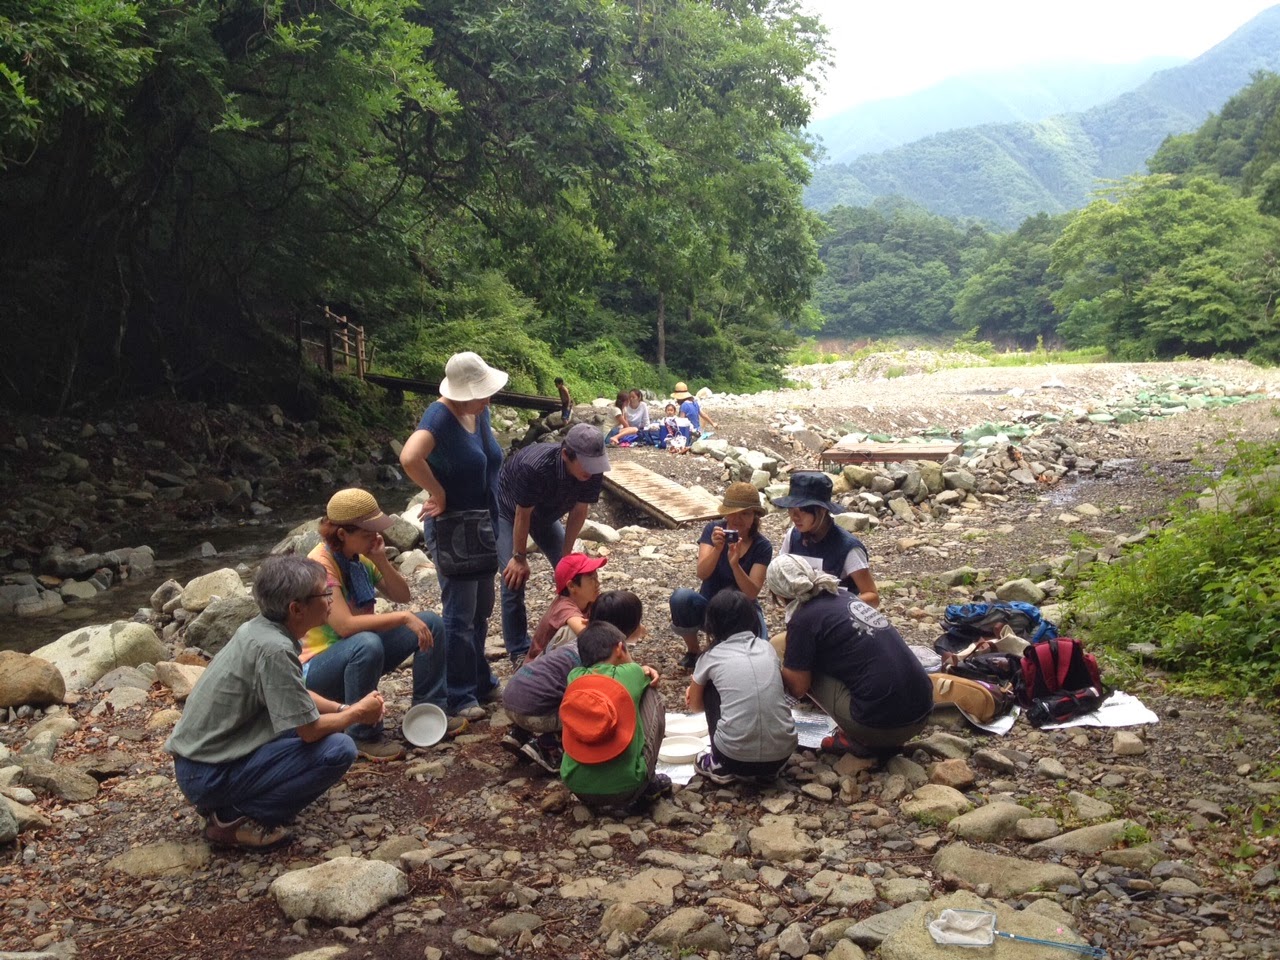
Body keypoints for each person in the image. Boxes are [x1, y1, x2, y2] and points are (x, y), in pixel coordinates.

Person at [167, 556, 382, 849]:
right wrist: (357, 714)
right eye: (325, 593)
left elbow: (294, 695)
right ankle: (233, 819)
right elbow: (310, 730)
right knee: (338, 748)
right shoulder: (274, 649)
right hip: (207, 773)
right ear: (296, 608)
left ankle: (231, 802)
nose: (331, 599)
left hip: (201, 762)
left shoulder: (260, 629)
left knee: (333, 727)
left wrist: (343, 709)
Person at [302, 489, 452, 761]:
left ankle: (428, 713)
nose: (375, 537)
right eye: (367, 532)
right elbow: (345, 626)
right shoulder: (320, 565)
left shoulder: (360, 557)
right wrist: (403, 617)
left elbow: (401, 595)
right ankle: (362, 735)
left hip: (359, 656)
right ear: (342, 534)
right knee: (366, 641)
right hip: (319, 673)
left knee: (430, 622)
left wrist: (382, 559)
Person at [399, 351, 508, 722]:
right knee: (460, 615)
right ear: (461, 393)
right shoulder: (439, 416)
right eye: (482, 392)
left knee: (481, 610)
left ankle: (479, 679)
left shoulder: (479, 411)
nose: (488, 398)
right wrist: (437, 493)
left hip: (483, 523)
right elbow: (410, 457)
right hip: (453, 529)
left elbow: (487, 459)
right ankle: (459, 693)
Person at [767, 555, 932, 758]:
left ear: (778, 593)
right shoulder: (842, 595)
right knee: (794, 647)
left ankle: (858, 737)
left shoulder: (803, 619)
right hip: (923, 712)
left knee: (793, 662)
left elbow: (799, 687)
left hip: (884, 728)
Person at [495, 423, 610, 663]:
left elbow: (580, 510)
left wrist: (566, 554)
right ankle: (518, 650)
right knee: (513, 577)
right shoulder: (534, 467)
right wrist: (519, 557)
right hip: (510, 510)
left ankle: (583, 629)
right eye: (587, 465)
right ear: (567, 454)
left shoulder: (592, 469)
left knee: (577, 572)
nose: (592, 471)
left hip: (548, 512)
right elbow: (522, 515)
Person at [501, 589, 645, 773]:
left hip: (511, 697)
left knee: (552, 687)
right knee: (596, 710)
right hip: (536, 712)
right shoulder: (602, 658)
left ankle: (519, 732)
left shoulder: (575, 641)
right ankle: (547, 745)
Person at [685, 590, 797, 785]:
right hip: (782, 755)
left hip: (733, 757)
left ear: (712, 624)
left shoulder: (710, 657)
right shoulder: (767, 648)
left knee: (710, 685)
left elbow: (695, 707)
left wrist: (694, 692)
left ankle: (718, 764)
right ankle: (766, 770)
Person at [559, 621, 669, 811]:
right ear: (619, 649)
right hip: (628, 787)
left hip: (577, 787)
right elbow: (643, 675)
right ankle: (648, 782)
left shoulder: (574, 677)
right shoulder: (632, 672)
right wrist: (643, 669)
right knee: (652, 694)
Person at [669, 481, 773, 669]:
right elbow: (702, 573)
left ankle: (725, 651)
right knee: (681, 598)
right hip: (710, 605)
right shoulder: (713, 531)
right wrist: (717, 550)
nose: (737, 519)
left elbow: (752, 593)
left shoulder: (761, 546)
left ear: (754, 517)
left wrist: (735, 565)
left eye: (745, 513)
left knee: (762, 650)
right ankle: (694, 651)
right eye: (732, 512)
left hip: (742, 610)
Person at [774, 471, 879, 607]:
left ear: (822, 510)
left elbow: (872, 596)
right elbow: (780, 573)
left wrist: (834, 607)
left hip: (837, 623)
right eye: (791, 509)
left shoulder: (848, 548)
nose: (794, 516)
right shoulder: (793, 536)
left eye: (802, 510)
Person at [526, 553, 606, 662]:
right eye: (591, 579)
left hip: (556, 661)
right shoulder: (563, 606)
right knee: (573, 633)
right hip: (538, 669)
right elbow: (586, 633)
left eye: (596, 577)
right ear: (572, 586)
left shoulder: (589, 602)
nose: (598, 583)